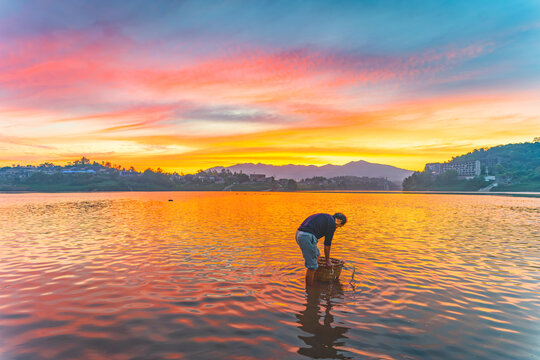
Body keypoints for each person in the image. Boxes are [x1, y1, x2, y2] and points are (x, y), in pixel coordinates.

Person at [296, 213, 347, 286]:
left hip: (299, 234)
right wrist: (327, 261)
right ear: (339, 221)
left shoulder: (326, 217)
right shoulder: (332, 223)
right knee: (312, 267)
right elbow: (327, 244)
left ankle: (315, 278)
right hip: (306, 236)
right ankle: (310, 290)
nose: (336, 228)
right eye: (339, 226)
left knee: (317, 255)